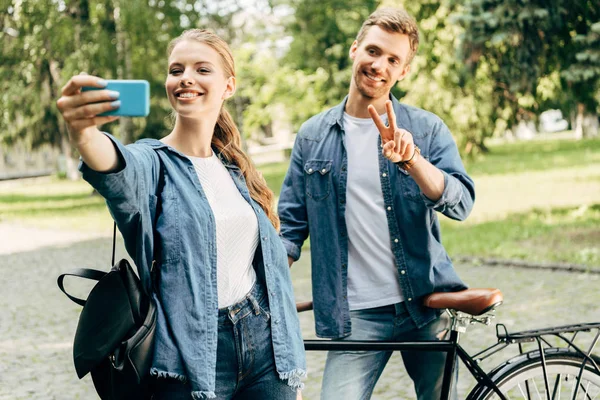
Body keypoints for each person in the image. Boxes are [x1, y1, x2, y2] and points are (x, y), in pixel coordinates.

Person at [56, 29, 306, 400]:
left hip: (268, 351)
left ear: (228, 86)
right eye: (177, 70)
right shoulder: (152, 162)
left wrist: (291, 379)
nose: (186, 77)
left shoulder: (236, 168)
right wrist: (83, 133)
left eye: (202, 69)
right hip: (191, 359)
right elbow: (116, 170)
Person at [278, 7, 475, 400]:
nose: (379, 65)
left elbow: (461, 203)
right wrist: (262, 290)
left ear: (403, 71)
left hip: (423, 304)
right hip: (356, 316)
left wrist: (413, 160)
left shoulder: (425, 128)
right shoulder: (312, 136)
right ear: (354, 50)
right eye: (373, 51)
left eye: (393, 59)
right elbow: (291, 229)